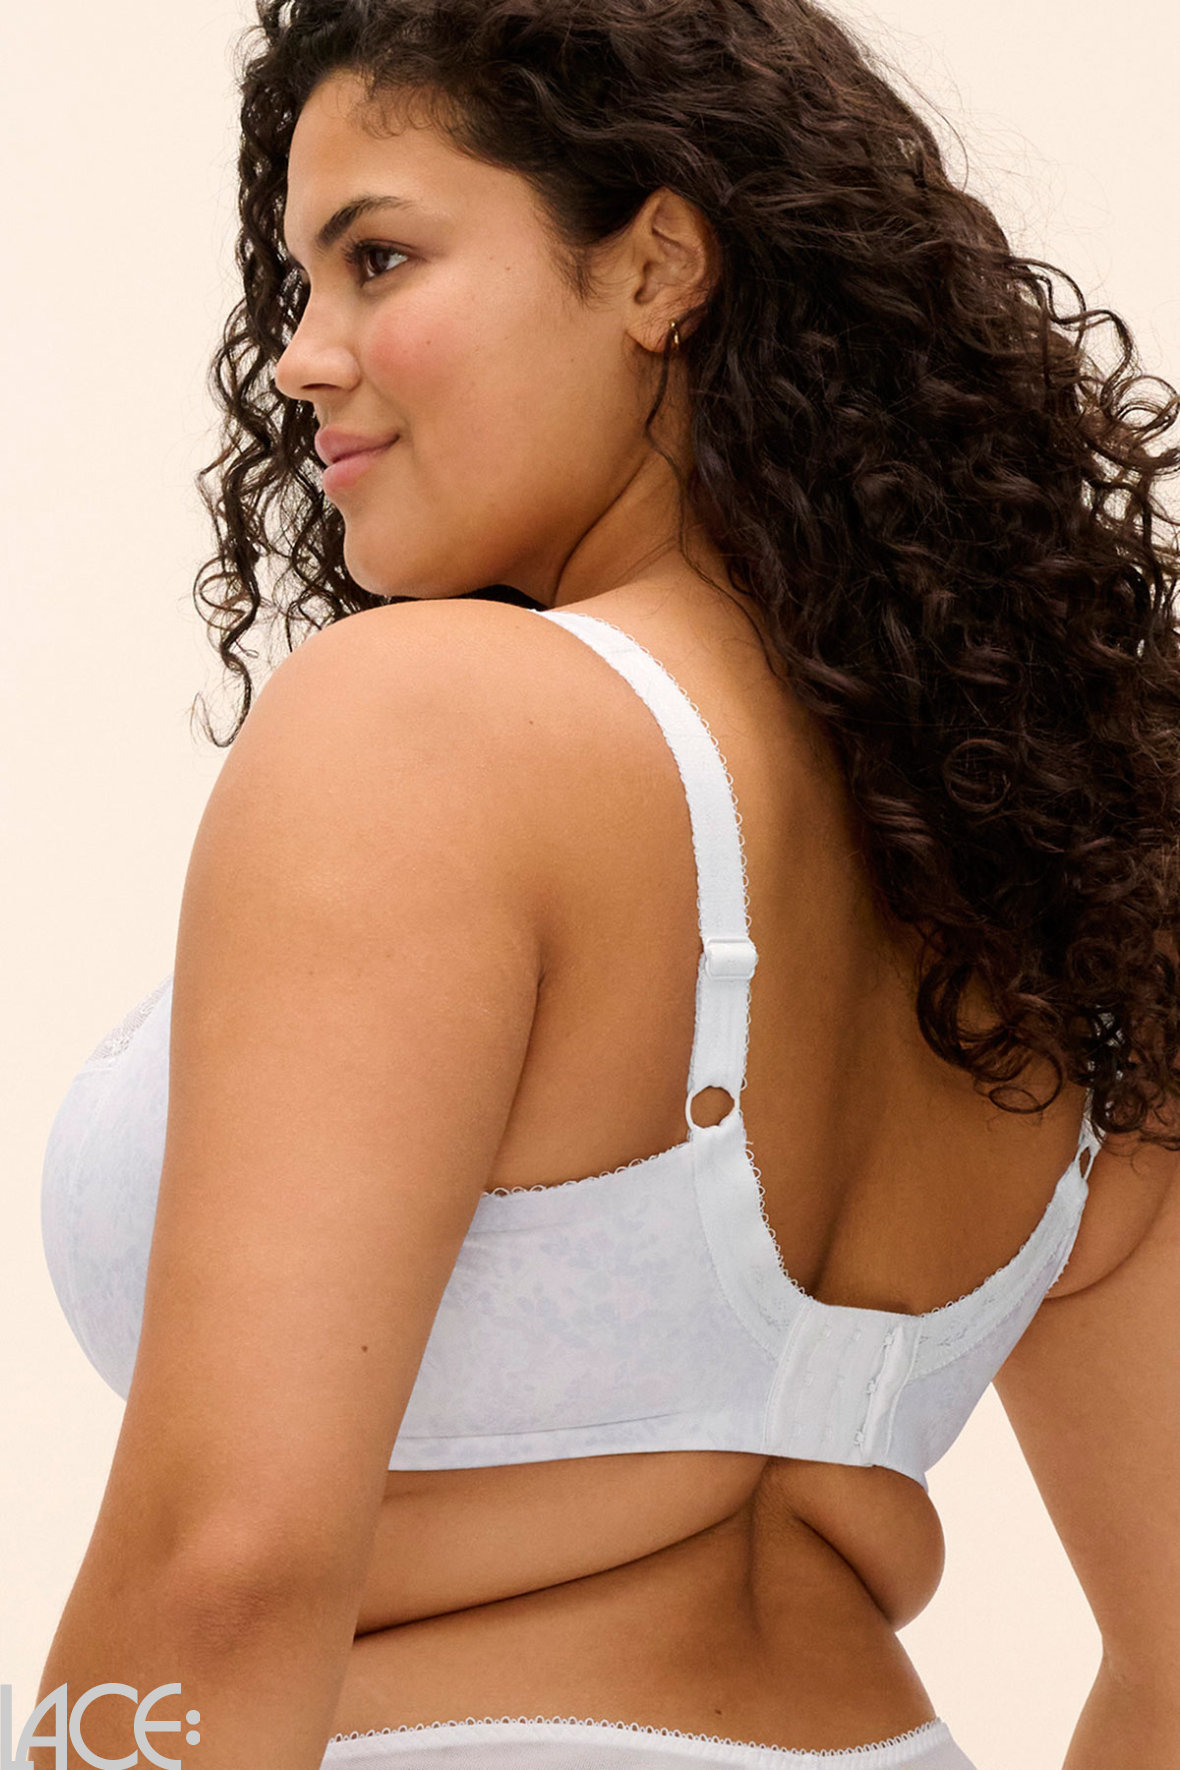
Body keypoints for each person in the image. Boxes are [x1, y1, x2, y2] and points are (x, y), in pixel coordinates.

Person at [35, 1, 1180, 1767]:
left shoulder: (431, 727)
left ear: (656, 267)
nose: (302, 359)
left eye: (378, 257)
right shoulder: (1052, 864)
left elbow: (225, 1571)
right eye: (298, 286)